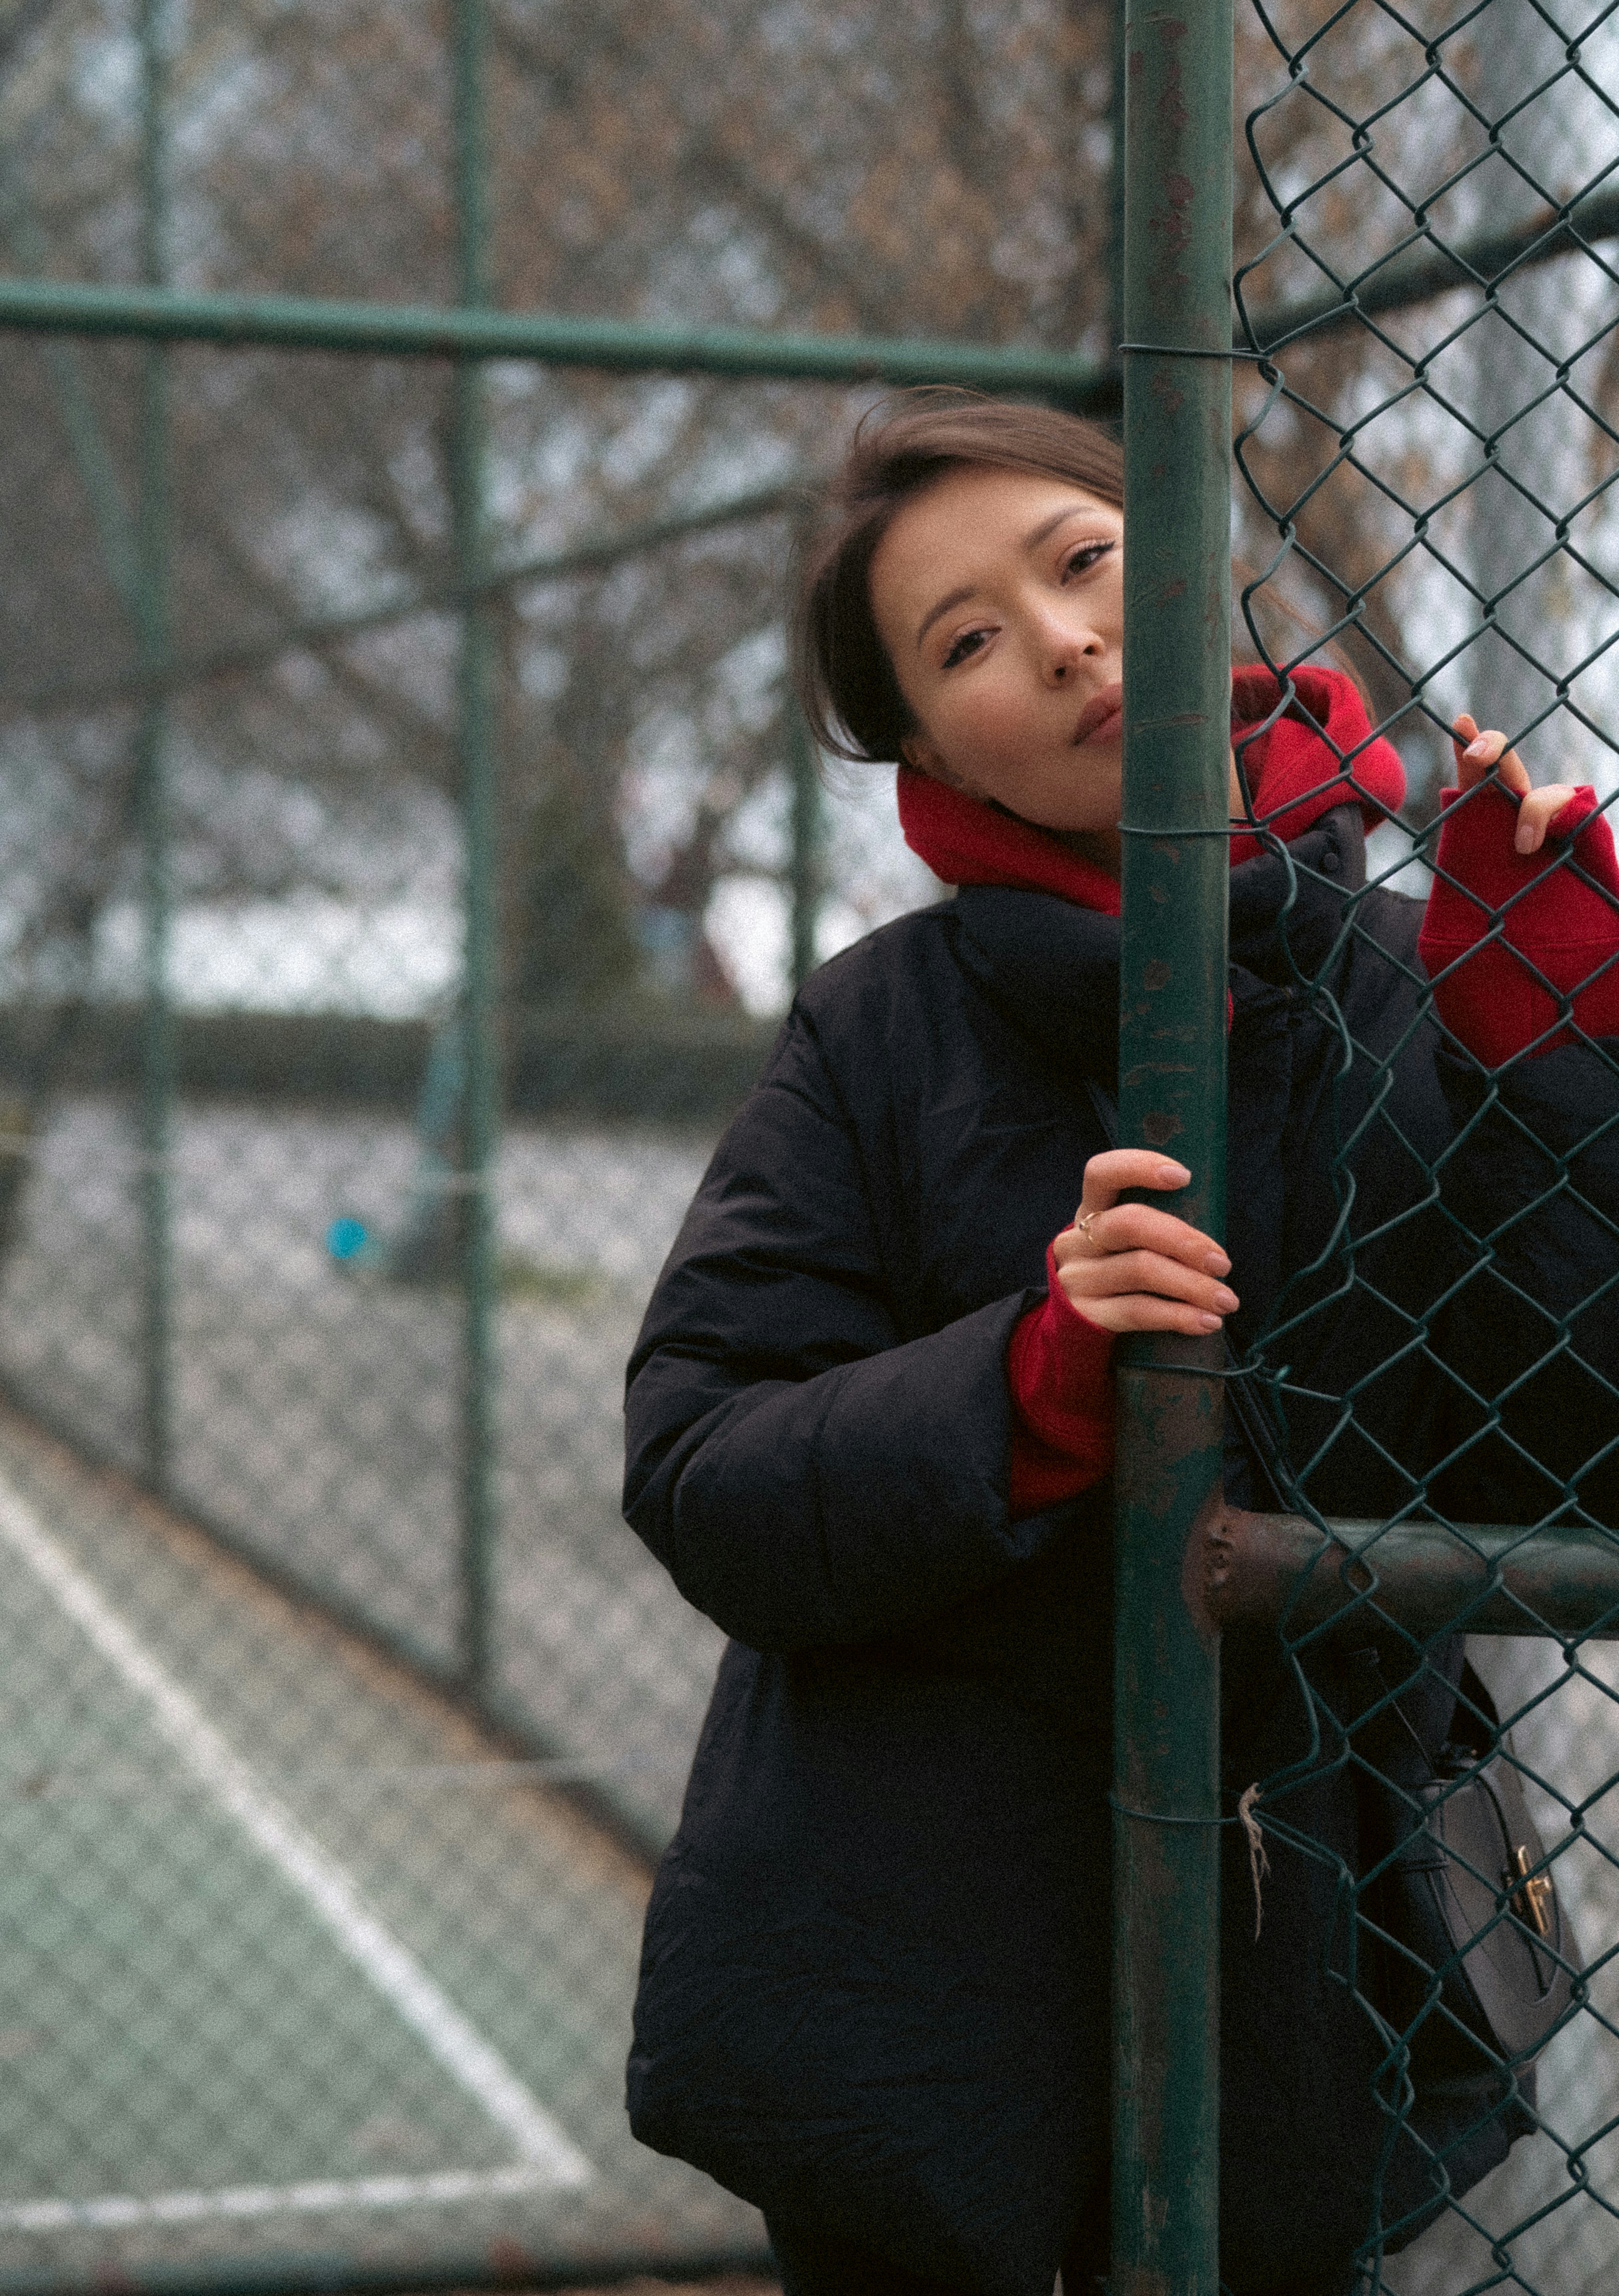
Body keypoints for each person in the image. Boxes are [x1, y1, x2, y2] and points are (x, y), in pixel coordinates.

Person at [620, 393, 1619, 2296]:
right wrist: (1028, 1377)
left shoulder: (1423, 968)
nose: (1065, 639)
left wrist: (1544, 1057)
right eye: (966, 639)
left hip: (1302, 1967)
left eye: (1083, 563)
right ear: (921, 743)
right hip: (913, 1973)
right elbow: (701, 1467)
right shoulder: (876, 1028)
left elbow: (1567, 1448)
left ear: (1188, 571)